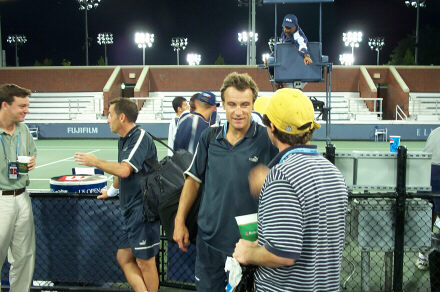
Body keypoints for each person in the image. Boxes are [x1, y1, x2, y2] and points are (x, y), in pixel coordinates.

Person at [233, 88, 348, 292]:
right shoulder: (333, 172)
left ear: (272, 127)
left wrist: (247, 254)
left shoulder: (281, 176)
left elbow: (283, 254)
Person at [173, 72, 278, 291]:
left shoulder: (266, 138)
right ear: (222, 105)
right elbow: (193, 181)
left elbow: (289, 175)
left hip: (250, 246)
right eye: (232, 104)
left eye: (244, 104)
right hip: (209, 243)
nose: (238, 111)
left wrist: (269, 179)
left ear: (253, 105)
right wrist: (179, 220)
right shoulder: (209, 138)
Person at [74, 98, 160, 292]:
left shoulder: (140, 137)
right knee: (124, 257)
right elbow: (121, 172)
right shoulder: (124, 140)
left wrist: (95, 162)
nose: (107, 119)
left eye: (110, 115)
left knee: (145, 262)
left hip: (143, 210)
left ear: (122, 117)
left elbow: (124, 170)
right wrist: (111, 191)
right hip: (131, 210)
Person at [0, 84, 37, 292]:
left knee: (24, 255)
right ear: (5, 105)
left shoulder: (23, 129)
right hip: (0, 199)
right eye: (22, 106)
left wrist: (32, 162)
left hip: (23, 198)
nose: (27, 110)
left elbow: (32, 154)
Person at [416, 126, 440, 270]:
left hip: (425, 173)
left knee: (426, 217)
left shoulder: (434, 131)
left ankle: (422, 256)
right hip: (436, 173)